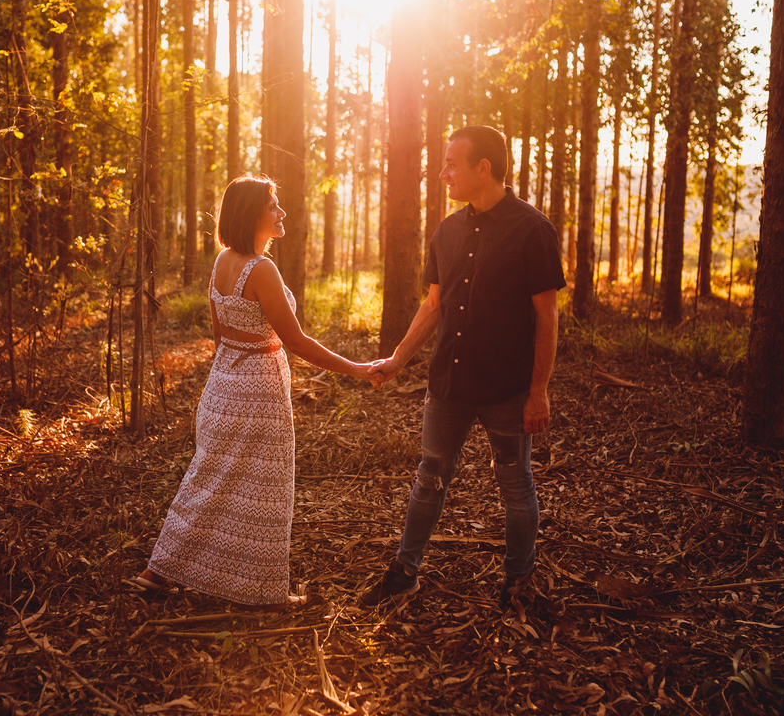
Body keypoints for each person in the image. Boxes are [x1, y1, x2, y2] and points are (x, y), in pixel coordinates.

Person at [137, 176, 374, 610]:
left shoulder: (222, 261)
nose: (281, 212)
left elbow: (218, 332)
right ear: (252, 214)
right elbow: (297, 342)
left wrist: (237, 363)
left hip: (223, 382)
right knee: (265, 488)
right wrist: (357, 368)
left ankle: (158, 571)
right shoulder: (261, 269)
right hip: (258, 392)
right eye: (273, 205)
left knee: (206, 479)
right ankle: (265, 593)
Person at [360, 125, 566, 610]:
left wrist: (539, 392)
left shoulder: (533, 230)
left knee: (516, 486)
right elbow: (433, 306)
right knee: (429, 477)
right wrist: (397, 359)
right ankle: (404, 572)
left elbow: (547, 316)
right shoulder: (448, 230)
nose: (442, 172)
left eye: (452, 163)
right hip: (447, 387)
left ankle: (518, 581)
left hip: (508, 391)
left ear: (483, 168)